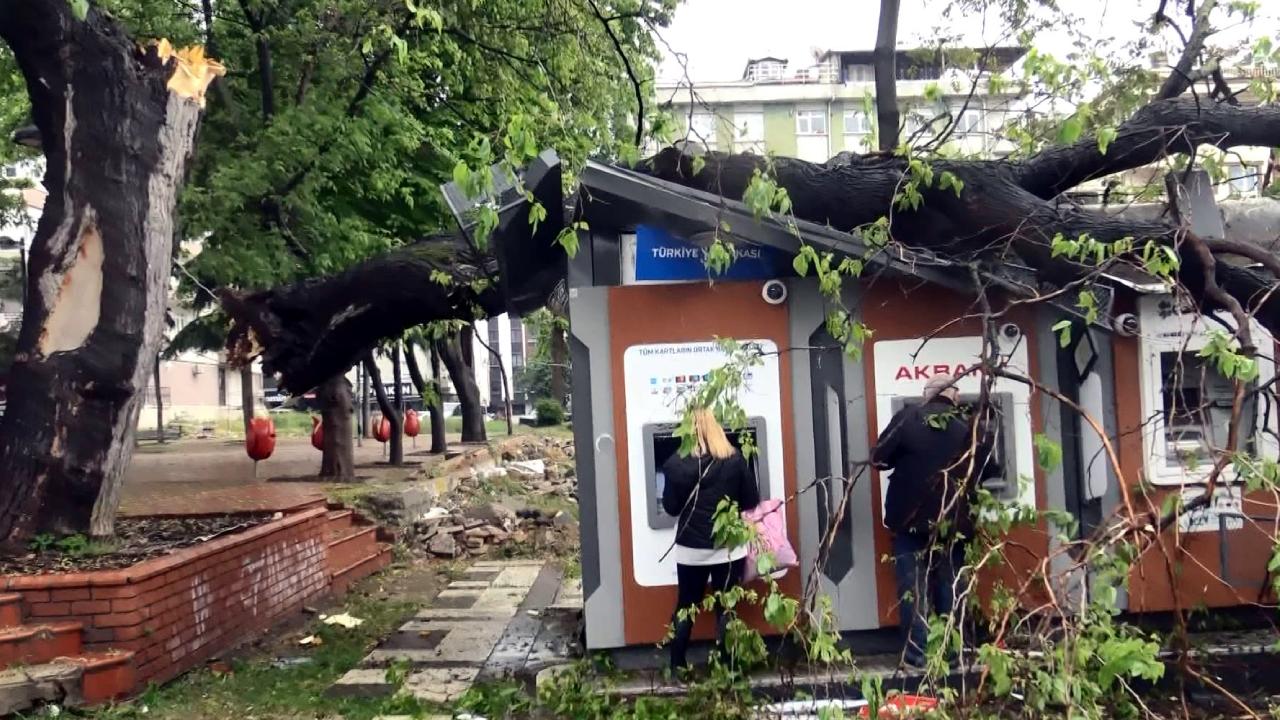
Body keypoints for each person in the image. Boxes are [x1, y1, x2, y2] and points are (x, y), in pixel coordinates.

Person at [872, 373, 1001, 668]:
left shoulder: (907, 418)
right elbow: (991, 470)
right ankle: (951, 655)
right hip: (955, 521)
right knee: (950, 587)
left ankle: (918, 657)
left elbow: (879, 458)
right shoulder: (970, 427)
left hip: (909, 521)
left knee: (913, 589)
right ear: (954, 397)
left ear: (926, 395)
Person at [661, 408, 761, 672]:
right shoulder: (735, 460)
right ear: (716, 428)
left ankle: (676, 666)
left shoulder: (675, 464)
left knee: (686, 606)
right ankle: (729, 669)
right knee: (726, 607)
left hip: (691, 549)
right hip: (728, 547)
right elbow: (751, 501)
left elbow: (670, 508)